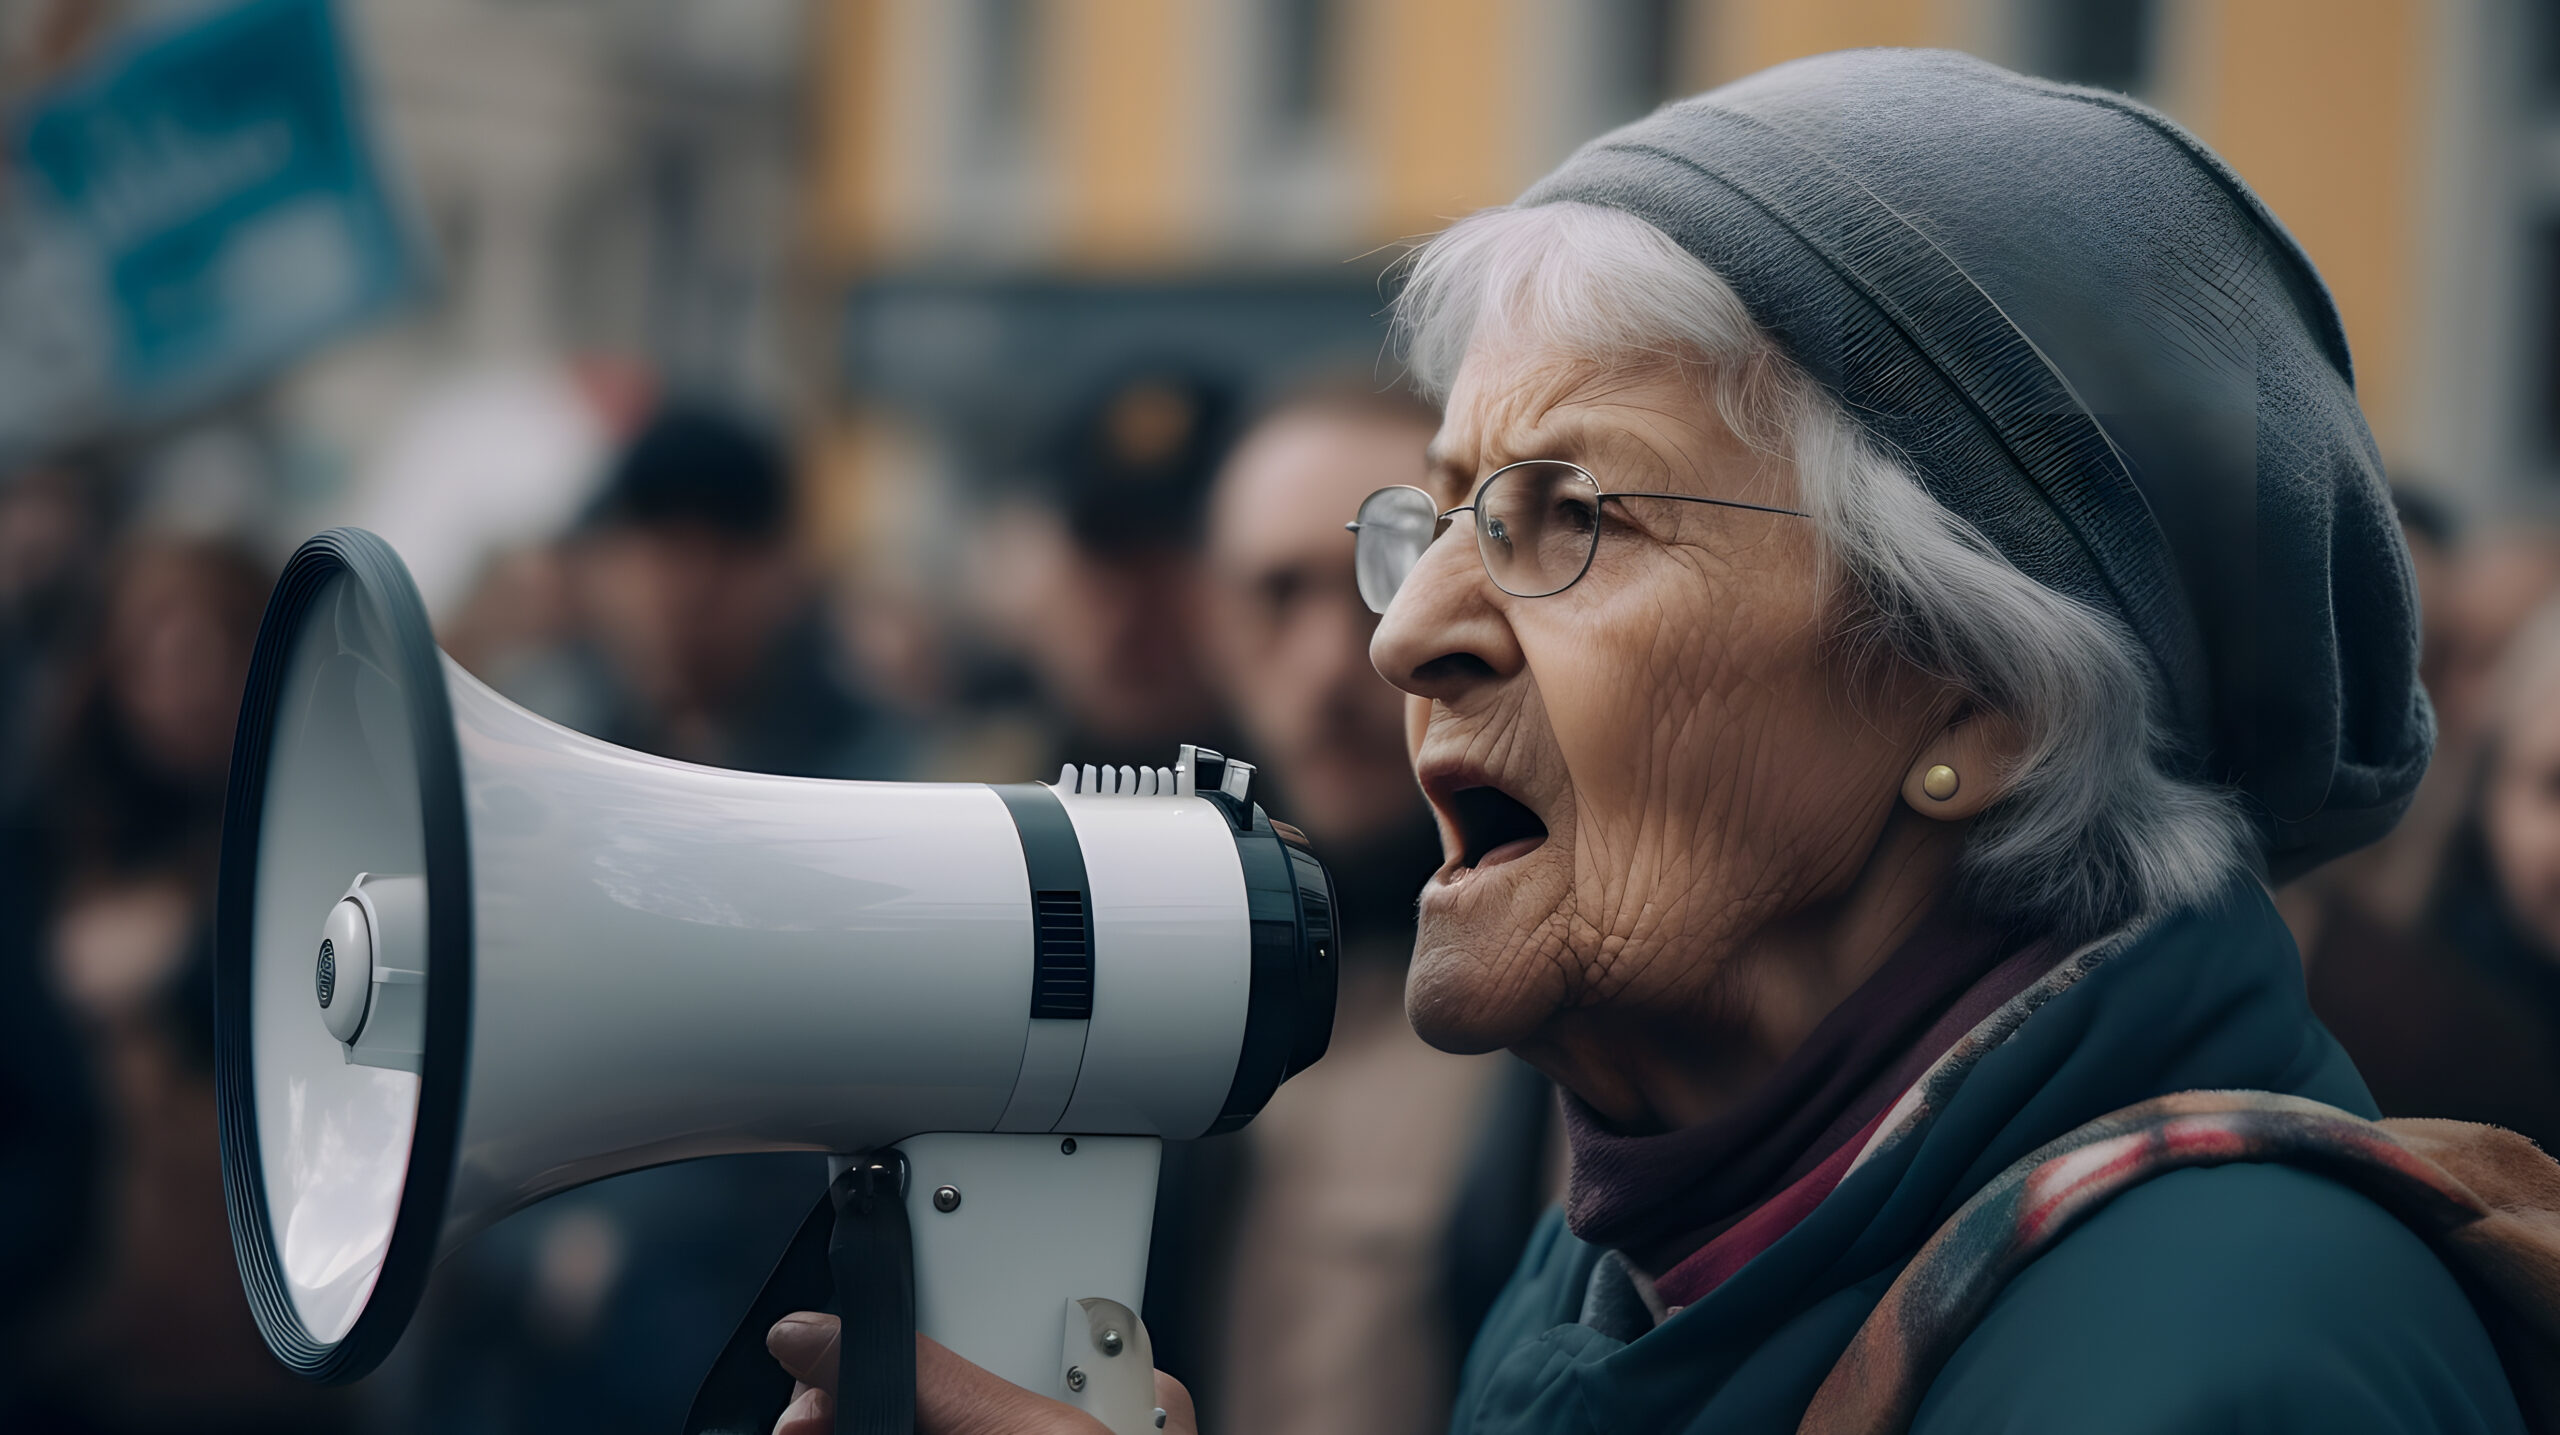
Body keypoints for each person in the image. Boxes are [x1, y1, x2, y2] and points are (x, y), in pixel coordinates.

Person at [764, 51, 2531, 1430]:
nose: (1406, 633)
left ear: (1975, 696)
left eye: (1570, 516)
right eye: (1440, 515)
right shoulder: (1638, 1259)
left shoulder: (2225, 1353)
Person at [1144, 382, 1554, 1435]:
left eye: (1389, 579)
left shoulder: (1584, 1014)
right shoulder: (1131, 962)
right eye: (1277, 592)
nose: (1336, 662)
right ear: (1204, 616)